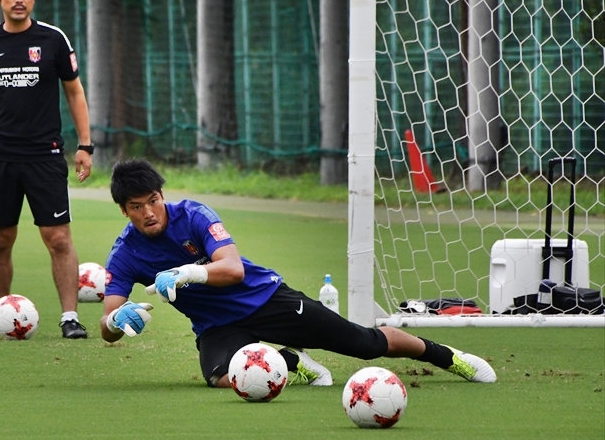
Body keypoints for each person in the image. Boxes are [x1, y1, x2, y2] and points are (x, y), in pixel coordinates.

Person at [98, 159, 497, 387]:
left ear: (162, 195)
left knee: (363, 343)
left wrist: (186, 273)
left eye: (153, 201)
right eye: (137, 206)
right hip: (218, 326)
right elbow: (107, 323)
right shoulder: (125, 253)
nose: (149, 213)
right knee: (223, 377)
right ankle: (289, 361)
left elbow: (233, 269)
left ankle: (448, 357)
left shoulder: (195, 215)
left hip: (266, 299)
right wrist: (119, 319)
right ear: (124, 210)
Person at [0, 0, 92, 339]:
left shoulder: (53, 39)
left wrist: (85, 145)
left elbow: (74, 92)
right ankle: (1, 318)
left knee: (58, 237)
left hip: (45, 156)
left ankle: (70, 318)